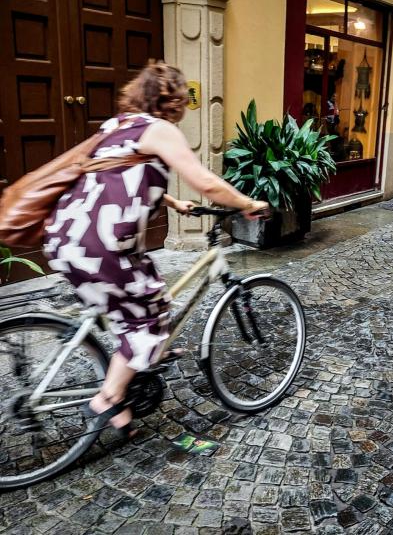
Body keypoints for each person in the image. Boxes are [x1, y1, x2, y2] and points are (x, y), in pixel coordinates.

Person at [43, 60, 269, 435]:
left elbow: (116, 176)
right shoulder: (159, 129)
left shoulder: (115, 126)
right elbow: (206, 183)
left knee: (143, 296)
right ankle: (107, 398)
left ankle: (125, 398)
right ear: (174, 100)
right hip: (102, 248)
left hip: (64, 237)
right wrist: (247, 203)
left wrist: (171, 202)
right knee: (147, 320)